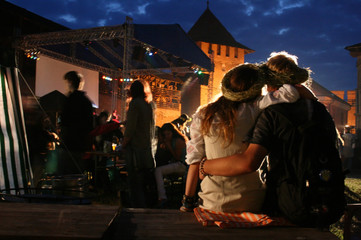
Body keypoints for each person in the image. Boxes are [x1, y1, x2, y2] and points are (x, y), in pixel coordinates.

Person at [199, 51, 343, 226]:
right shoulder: (320, 111)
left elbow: (249, 162)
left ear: (268, 84)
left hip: (289, 203)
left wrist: (204, 165)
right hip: (329, 201)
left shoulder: (272, 114)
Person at [181, 62, 302, 213]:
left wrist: (188, 201)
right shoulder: (256, 107)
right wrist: (266, 72)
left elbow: (194, 161)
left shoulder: (203, 115)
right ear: (257, 88)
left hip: (213, 203)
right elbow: (291, 92)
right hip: (252, 202)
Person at [122, 80, 156, 208]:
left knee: (134, 181)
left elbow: (131, 128)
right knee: (143, 181)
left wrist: (124, 143)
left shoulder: (135, 104)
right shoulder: (147, 105)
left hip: (135, 149)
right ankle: (146, 205)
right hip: (146, 148)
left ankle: (136, 206)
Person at [59, 71, 93, 174]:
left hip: (69, 144)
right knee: (77, 175)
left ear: (70, 82)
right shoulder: (86, 102)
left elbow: (64, 121)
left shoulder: (69, 100)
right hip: (81, 146)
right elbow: (90, 125)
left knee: (66, 174)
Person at [154, 123, 188, 207]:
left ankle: (162, 197)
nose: (167, 136)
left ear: (173, 132)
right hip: (176, 164)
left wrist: (168, 145)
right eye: (165, 135)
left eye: (168, 134)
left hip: (183, 166)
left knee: (158, 171)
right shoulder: (170, 141)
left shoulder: (178, 141)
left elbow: (177, 157)